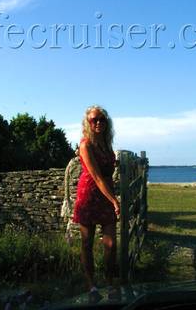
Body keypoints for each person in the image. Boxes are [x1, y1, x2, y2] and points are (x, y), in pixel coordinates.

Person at [72, 105, 121, 301]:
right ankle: (91, 286)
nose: (99, 122)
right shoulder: (86, 145)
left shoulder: (106, 144)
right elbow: (97, 177)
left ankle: (110, 283)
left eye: (102, 119)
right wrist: (115, 201)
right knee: (87, 243)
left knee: (110, 244)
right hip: (90, 196)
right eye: (94, 120)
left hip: (106, 193)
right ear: (88, 123)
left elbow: (107, 171)